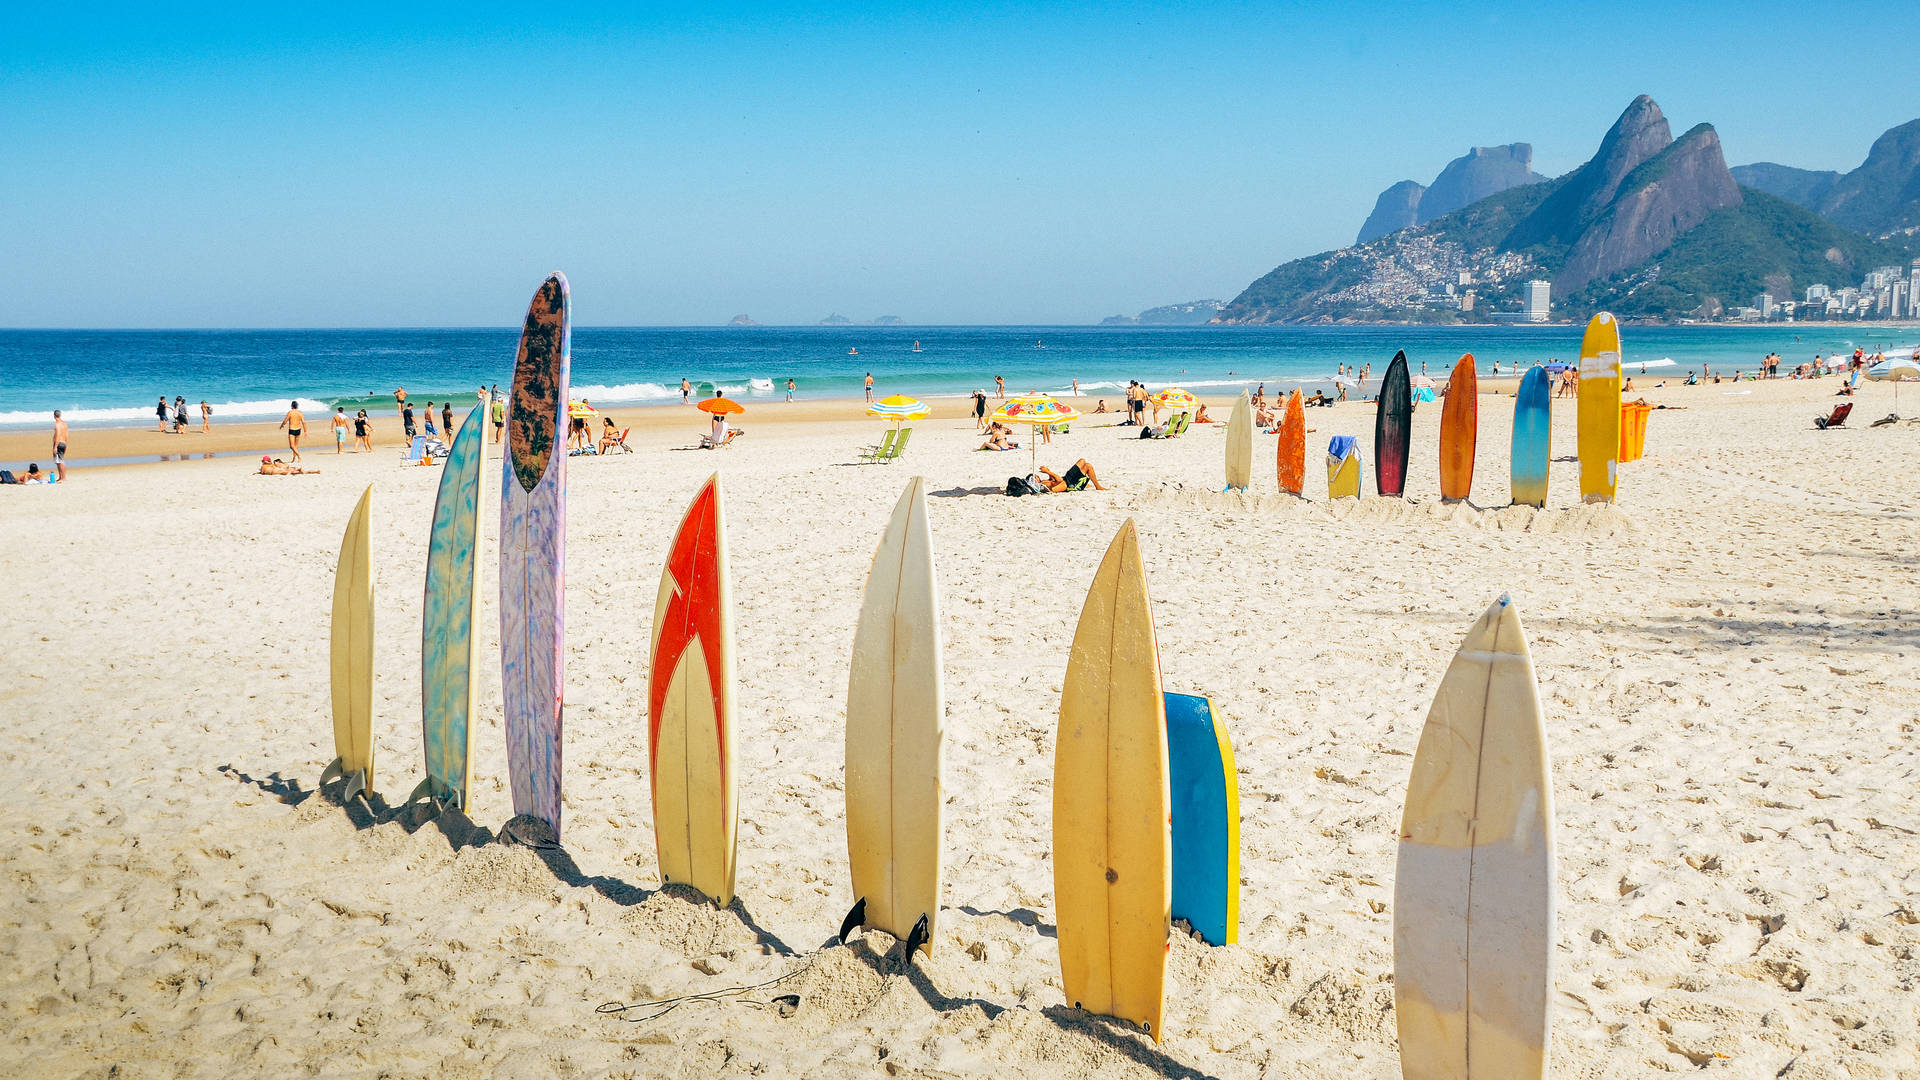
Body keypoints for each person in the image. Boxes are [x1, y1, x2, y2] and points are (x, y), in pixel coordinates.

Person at [1035, 459, 1106, 492]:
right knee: (1088, 466)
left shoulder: (1044, 482)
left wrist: (1048, 473)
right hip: (1069, 484)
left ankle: (1096, 486)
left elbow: (1053, 481)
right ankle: (1098, 487)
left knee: (1083, 461)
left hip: (1068, 480)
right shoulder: (1042, 484)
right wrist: (1048, 472)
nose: (1036, 476)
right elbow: (1059, 480)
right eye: (1035, 476)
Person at [51, 410, 68, 482]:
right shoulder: (64, 424)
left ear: (54, 416)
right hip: (63, 443)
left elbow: (57, 435)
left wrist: (55, 446)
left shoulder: (57, 424)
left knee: (60, 461)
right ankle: (61, 477)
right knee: (58, 461)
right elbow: (67, 435)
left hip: (59, 443)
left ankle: (63, 477)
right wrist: (66, 444)